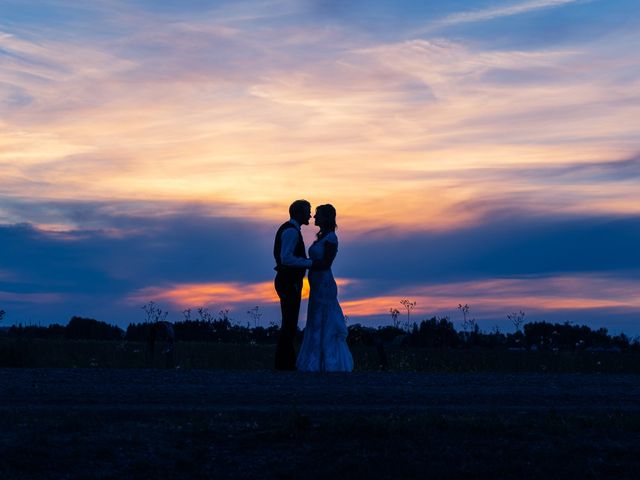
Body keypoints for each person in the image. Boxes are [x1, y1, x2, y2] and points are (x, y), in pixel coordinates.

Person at [296, 204, 353, 372]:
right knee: (315, 318)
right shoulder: (322, 237)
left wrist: (306, 263)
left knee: (324, 318)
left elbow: (326, 263)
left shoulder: (331, 239)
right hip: (316, 284)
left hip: (324, 284)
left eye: (318, 214)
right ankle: (315, 360)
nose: (314, 217)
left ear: (326, 217)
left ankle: (328, 361)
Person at [273, 200, 318, 370]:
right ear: (299, 213)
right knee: (289, 324)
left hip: (287, 280)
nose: (310, 215)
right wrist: (310, 263)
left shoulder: (289, 230)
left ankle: (284, 363)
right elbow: (286, 258)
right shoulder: (291, 232)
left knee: (289, 323)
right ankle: (284, 365)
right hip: (288, 281)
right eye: (308, 211)